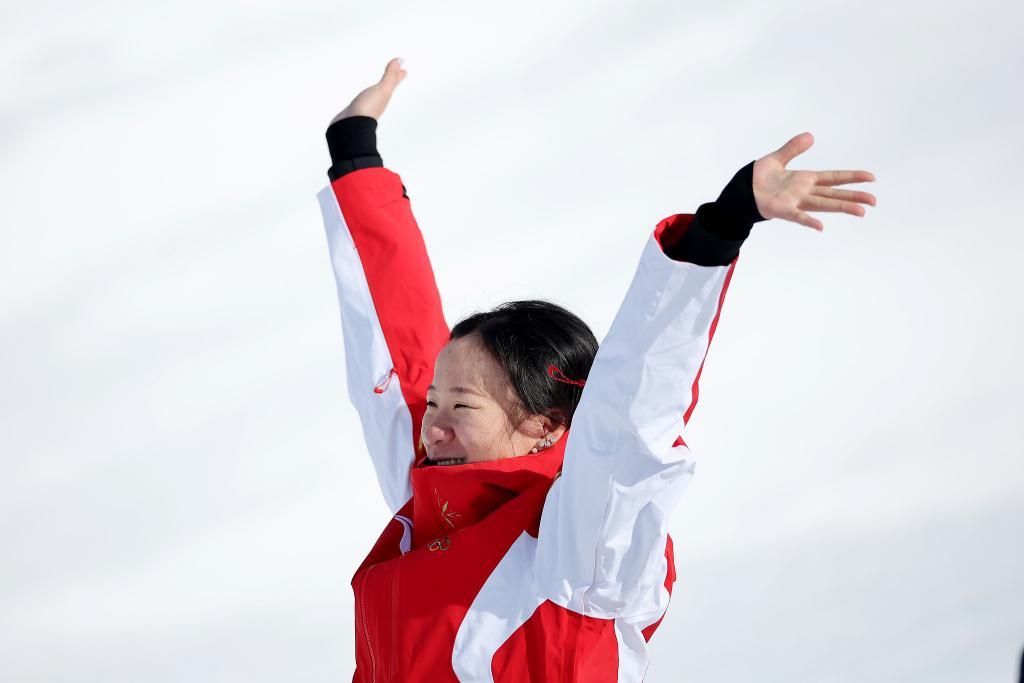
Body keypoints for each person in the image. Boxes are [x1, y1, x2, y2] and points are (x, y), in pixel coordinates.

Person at [316, 57, 876, 682]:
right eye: (436, 403)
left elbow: (630, 414)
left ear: (546, 424)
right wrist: (355, 154)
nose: (433, 425)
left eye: (462, 405)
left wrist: (718, 231)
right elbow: (399, 353)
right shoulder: (429, 498)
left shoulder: (577, 547)